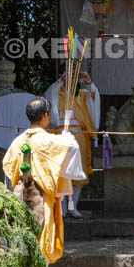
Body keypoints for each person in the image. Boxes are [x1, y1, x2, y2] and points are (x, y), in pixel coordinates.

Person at [2, 97, 83, 267]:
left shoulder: (19, 140)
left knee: (24, 235)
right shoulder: (47, 139)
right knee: (42, 235)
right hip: (40, 193)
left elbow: (7, 165)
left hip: (20, 191)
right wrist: (67, 138)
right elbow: (71, 149)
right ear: (45, 116)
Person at [46, 70, 100, 218]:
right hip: (60, 135)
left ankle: (73, 206)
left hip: (79, 136)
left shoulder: (82, 94)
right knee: (62, 172)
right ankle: (62, 207)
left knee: (78, 172)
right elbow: (49, 97)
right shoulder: (56, 92)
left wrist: (88, 82)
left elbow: (93, 97)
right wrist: (59, 82)